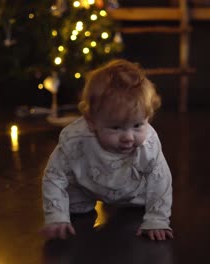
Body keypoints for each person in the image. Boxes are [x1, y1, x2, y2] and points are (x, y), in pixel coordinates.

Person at [39, 59, 173, 241]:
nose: (128, 137)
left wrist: (157, 220)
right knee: (74, 206)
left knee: (140, 207)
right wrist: (56, 215)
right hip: (87, 186)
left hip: (133, 190)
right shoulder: (76, 139)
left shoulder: (147, 144)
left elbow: (160, 180)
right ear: (91, 121)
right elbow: (55, 175)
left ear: (147, 116)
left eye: (137, 125)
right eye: (116, 128)